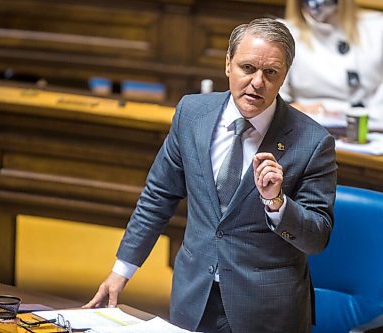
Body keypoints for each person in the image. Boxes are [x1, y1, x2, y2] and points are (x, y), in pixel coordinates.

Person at [85, 17, 337, 333]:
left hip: (266, 311)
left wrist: (277, 203)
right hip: (194, 297)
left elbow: (317, 237)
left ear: (284, 76)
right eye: (248, 68)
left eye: (270, 72)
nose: (257, 82)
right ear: (228, 65)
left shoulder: (313, 142)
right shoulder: (192, 114)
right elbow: (158, 196)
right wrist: (121, 270)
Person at [279, 0, 383, 125]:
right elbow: (274, 97)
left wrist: (359, 126)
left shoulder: (378, 26)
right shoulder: (284, 32)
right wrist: (299, 111)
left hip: (372, 132)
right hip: (309, 127)